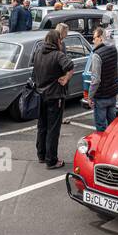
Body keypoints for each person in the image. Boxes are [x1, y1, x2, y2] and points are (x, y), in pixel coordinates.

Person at [31, 25, 74, 169]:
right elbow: (70, 65)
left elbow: (34, 71)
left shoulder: (38, 52)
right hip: (55, 96)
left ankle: (41, 155)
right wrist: (67, 77)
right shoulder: (58, 54)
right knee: (53, 129)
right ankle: (51, 160)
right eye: (60, 41)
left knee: (42, 126)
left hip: (40, 94)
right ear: (57, 41)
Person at [87, 26, 118, 132]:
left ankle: (103, 148)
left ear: (100, 37)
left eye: (94, 37)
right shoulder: (113, 49)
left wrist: (90, 96)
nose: (93, 40)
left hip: (101, 97)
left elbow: (96, 79)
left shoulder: (97, 55)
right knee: (112, 126)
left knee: (101, 127)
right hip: (112, 94)